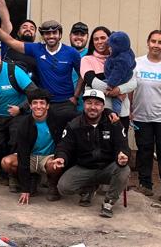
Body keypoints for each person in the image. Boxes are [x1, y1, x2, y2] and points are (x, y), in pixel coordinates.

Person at [0, 0, 80, 139]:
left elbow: (83, 75)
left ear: (59, 34)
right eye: (24, 26)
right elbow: (7, 28)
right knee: (35, 135)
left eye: (32, 28)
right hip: (29, 102)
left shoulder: (62, 51)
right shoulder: (21, 47)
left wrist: (75, 96)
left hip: (55, 101)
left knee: (66, 135)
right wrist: (0, 2)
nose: (28, 29)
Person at [52, 88, 131, 218]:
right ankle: (88, 189)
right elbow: (64, 146)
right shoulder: (74, 125)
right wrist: (61, 157)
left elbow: (122, 144)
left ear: (103, 106)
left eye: (97, 104)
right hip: (85, 168)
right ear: (84, 105)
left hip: (108, 167)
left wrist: (123, 155)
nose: (93, 107)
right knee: (64, 187)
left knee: (124, 170)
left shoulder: (113, 122)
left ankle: (108, 203)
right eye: (89, 103)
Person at [0, 46, 41, 192]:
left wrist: (20, 108)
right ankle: (4, 171)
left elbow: (35, 93)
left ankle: (15, 177)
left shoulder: (13, 71)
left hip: (18, 115)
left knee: (15, 143)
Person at [132, 30, 161, 203]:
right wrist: (130, 109)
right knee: (143, 150)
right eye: (153, 41)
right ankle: (145, 185)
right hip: (141, 116)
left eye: (160, 42)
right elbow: (131, 87)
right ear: (148, 42)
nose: (156, 45)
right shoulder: (137, 63)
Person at [1, 90, 61, 204]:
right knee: (6, 162)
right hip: (30, 157)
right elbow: (23, 156)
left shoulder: (57, 119)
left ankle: (53, 185)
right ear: (30, 106)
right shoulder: (23, 124)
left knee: (57, 164)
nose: (38, 106)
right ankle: (28, 178)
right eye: (35, 103)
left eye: (42, 103)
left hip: (48, 157)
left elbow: (78, 115)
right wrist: (25, 189)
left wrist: (106, 111)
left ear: (48, 106)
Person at [75, 26, 138, 129]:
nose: (100, 41)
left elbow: (133, 83)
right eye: (96, 39)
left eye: (103, 38)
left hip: (122, 113)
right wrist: (115, 92)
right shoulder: (87, 59)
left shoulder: (124, 57)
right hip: (99, 114)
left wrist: (118, 90)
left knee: (119, 144)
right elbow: (91, 81)